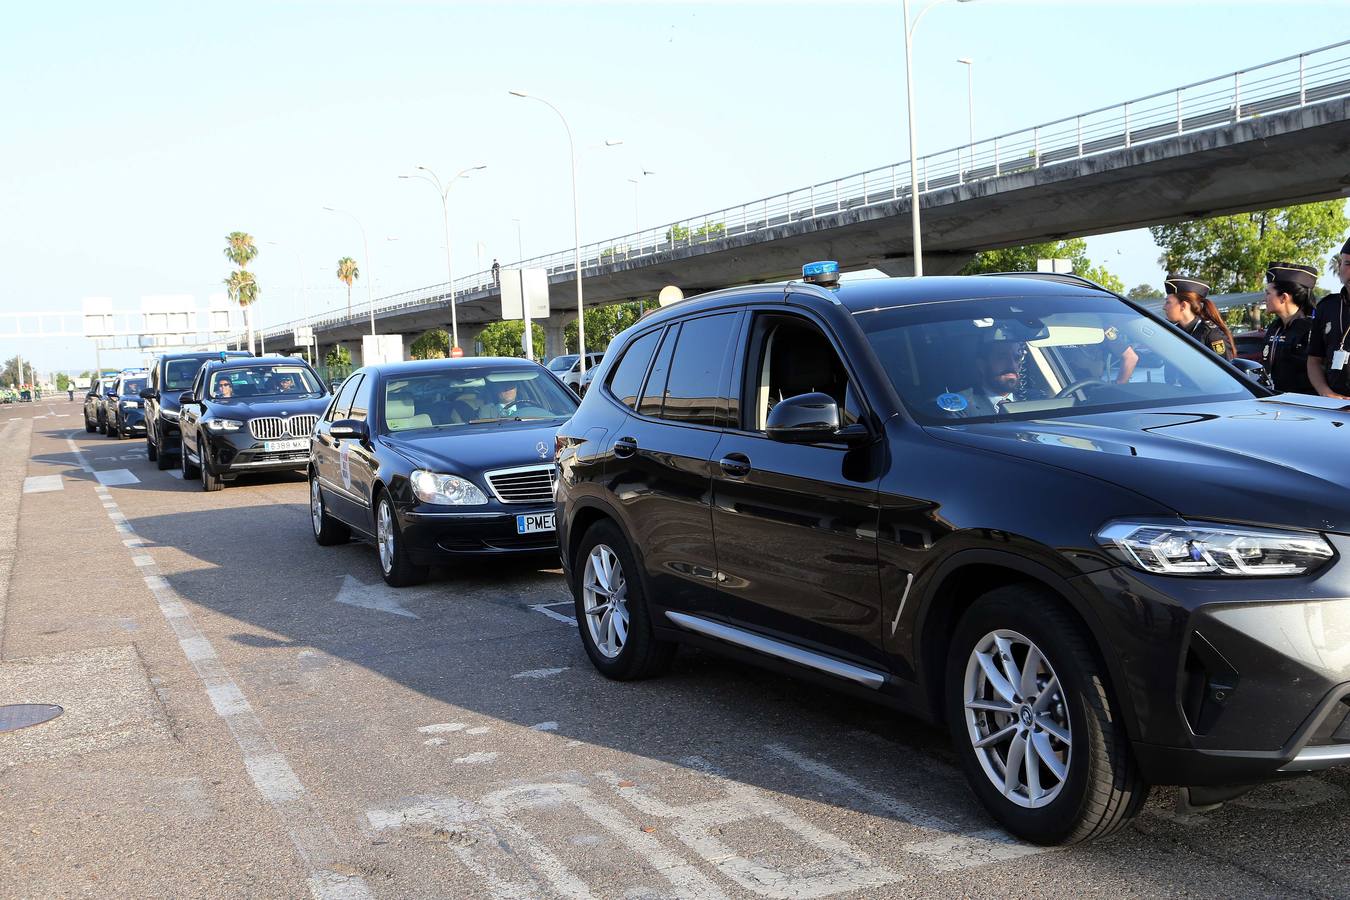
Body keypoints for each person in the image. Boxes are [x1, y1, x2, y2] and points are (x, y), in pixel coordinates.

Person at [1261, 262, 1317, 395]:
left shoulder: (1311, 329)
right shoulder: (1274, 327)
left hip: (1303, 406)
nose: (1264, 298)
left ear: (1284, 297)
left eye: (1268, 293)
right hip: (1275, 402)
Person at [1308, 238, 1350, 400]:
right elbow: (1313, 360)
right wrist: (1326, 392)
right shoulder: (1327, 307)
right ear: (1339, 267)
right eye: (1347, 264)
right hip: (1335, 405)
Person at [939, 338, 1026, 417]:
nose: (1012, 365)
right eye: (1002, 357)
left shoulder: (1035, 398)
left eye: (1017, 358)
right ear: (982, 365)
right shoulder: (957, 406)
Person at [1162, 275, 1235, 360]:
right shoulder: (1173, 332)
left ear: (1183, 305)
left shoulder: (1212, 335)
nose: (1164, 307)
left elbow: (1224, 371)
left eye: (1168, 302)